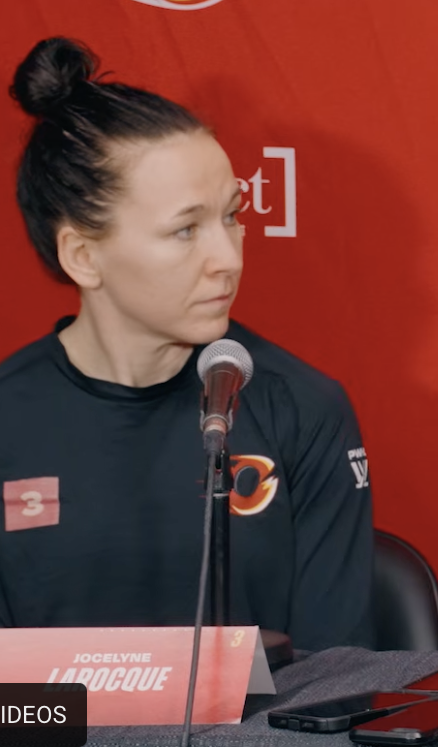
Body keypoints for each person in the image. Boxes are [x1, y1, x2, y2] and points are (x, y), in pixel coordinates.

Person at [0, 37, 374, 649]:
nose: (227, 259)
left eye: (231, 216)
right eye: (185, 230)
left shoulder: (302, 409)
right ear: (83, 255)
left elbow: (342, 679)